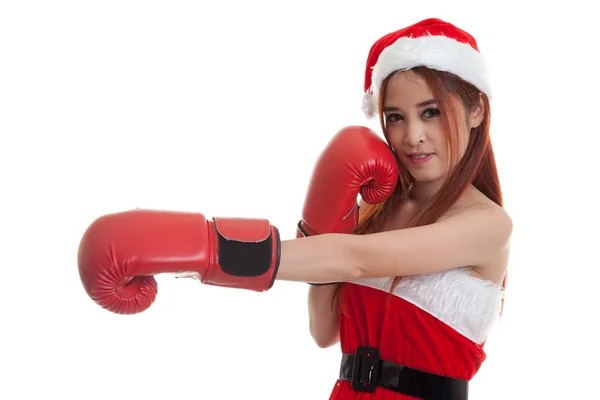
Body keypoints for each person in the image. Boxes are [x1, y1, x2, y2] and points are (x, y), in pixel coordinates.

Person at [77, 18, 511, 400]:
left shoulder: (487, 226)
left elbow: (355, 261)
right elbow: (323, 331)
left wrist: (202, 247)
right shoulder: (373, 214)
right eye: (395, 117)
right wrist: (324, 222)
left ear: (475, 110)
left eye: (431, 112)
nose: (412, 135)